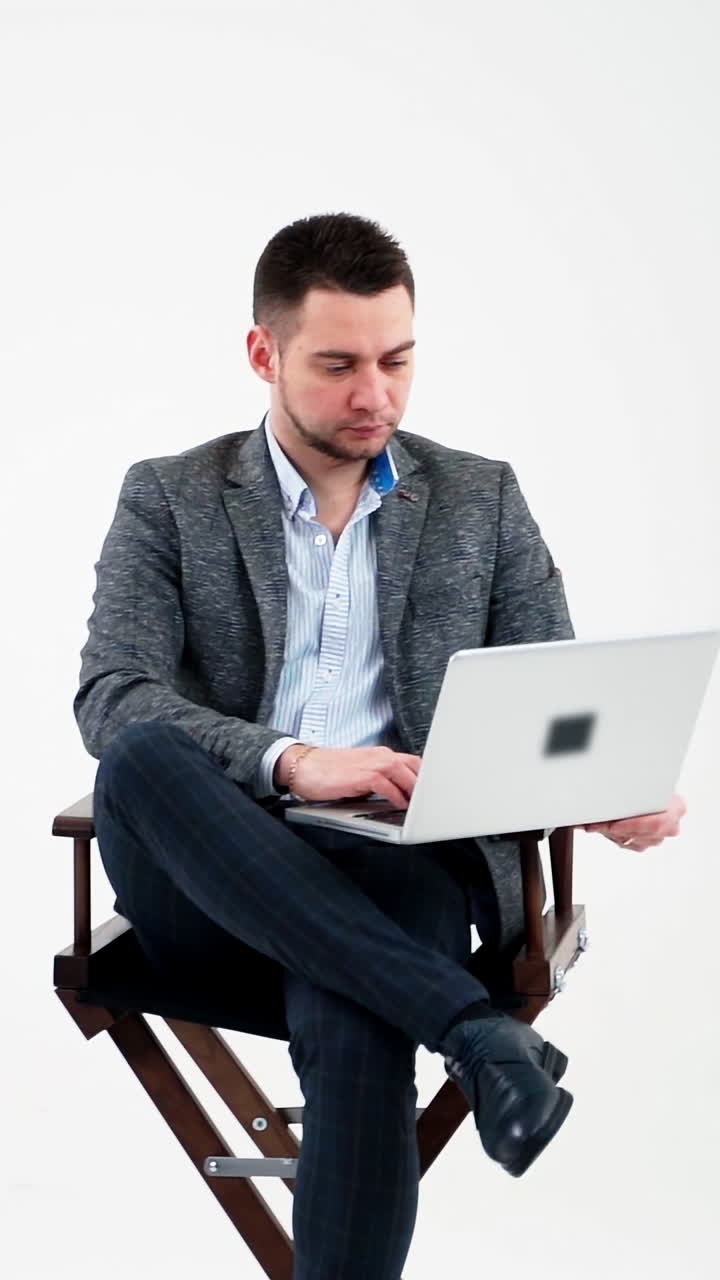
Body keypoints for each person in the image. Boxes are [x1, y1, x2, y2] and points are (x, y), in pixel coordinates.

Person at [75, 211, 685, 1279]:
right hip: (212, 887)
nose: (378, 396)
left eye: (399, 359)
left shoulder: (480, 498)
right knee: (138, 756)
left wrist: (609, 783)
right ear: (263, 353)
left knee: (358, 1005)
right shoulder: (168, 497)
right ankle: (476, 1030)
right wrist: (294, 761)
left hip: (402, 866)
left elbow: (550, 699)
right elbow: (112, 693)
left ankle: (456, 1025)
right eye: (340, 364)